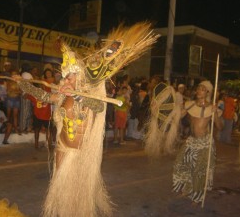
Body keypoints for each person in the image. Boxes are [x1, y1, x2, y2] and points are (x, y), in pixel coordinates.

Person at [13, 22, 159, 217]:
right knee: (61, 191)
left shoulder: (89, 98)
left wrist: (79, 95)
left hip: (78, 154)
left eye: (70, 78)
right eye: (65, 77)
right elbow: (43, 96)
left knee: (75, 193)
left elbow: (99, 107)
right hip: (61, 149)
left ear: (79, 78)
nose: (65, 81)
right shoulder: (63, 96)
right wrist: (22, 83)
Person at [172, 80, 223, 204]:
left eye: (202, 89)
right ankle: (187, 189)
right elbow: (176, 116)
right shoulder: (189, 104)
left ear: (207, 92)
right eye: (198, 88)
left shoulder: (212, 107)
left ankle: (197, 196)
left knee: (198, 171)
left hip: (204, 143)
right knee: (181, 163)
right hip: (191, 141)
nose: (199, 91)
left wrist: (215, 113)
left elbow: (220, 127)